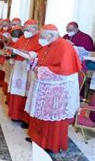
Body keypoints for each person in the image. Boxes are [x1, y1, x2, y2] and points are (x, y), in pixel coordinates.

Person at [25, 24, 81, 152]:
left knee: (51, 115)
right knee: (39, 112)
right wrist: (34, 62)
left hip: (57, 91)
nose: (41, 39)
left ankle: (50, 144)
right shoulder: (49, 44)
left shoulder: (64, 46)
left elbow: (63, 69)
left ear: (51, 35)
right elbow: (42, 58)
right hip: (44, 86)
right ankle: (36, 138)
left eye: (43, 36)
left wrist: (41, 69)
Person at [7, 20, 42, 128]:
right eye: (24, 29)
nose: (25, 32)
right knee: (17, 90)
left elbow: (42, 54)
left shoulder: (41, 39)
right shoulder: (23, 38)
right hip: (18, 66)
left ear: (35, 29)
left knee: (27, 92)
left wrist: (30, 54)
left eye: (27, 30)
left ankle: (26, 118)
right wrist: (12, 51)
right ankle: (16, 114)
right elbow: (16, 47)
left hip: (29, 69)